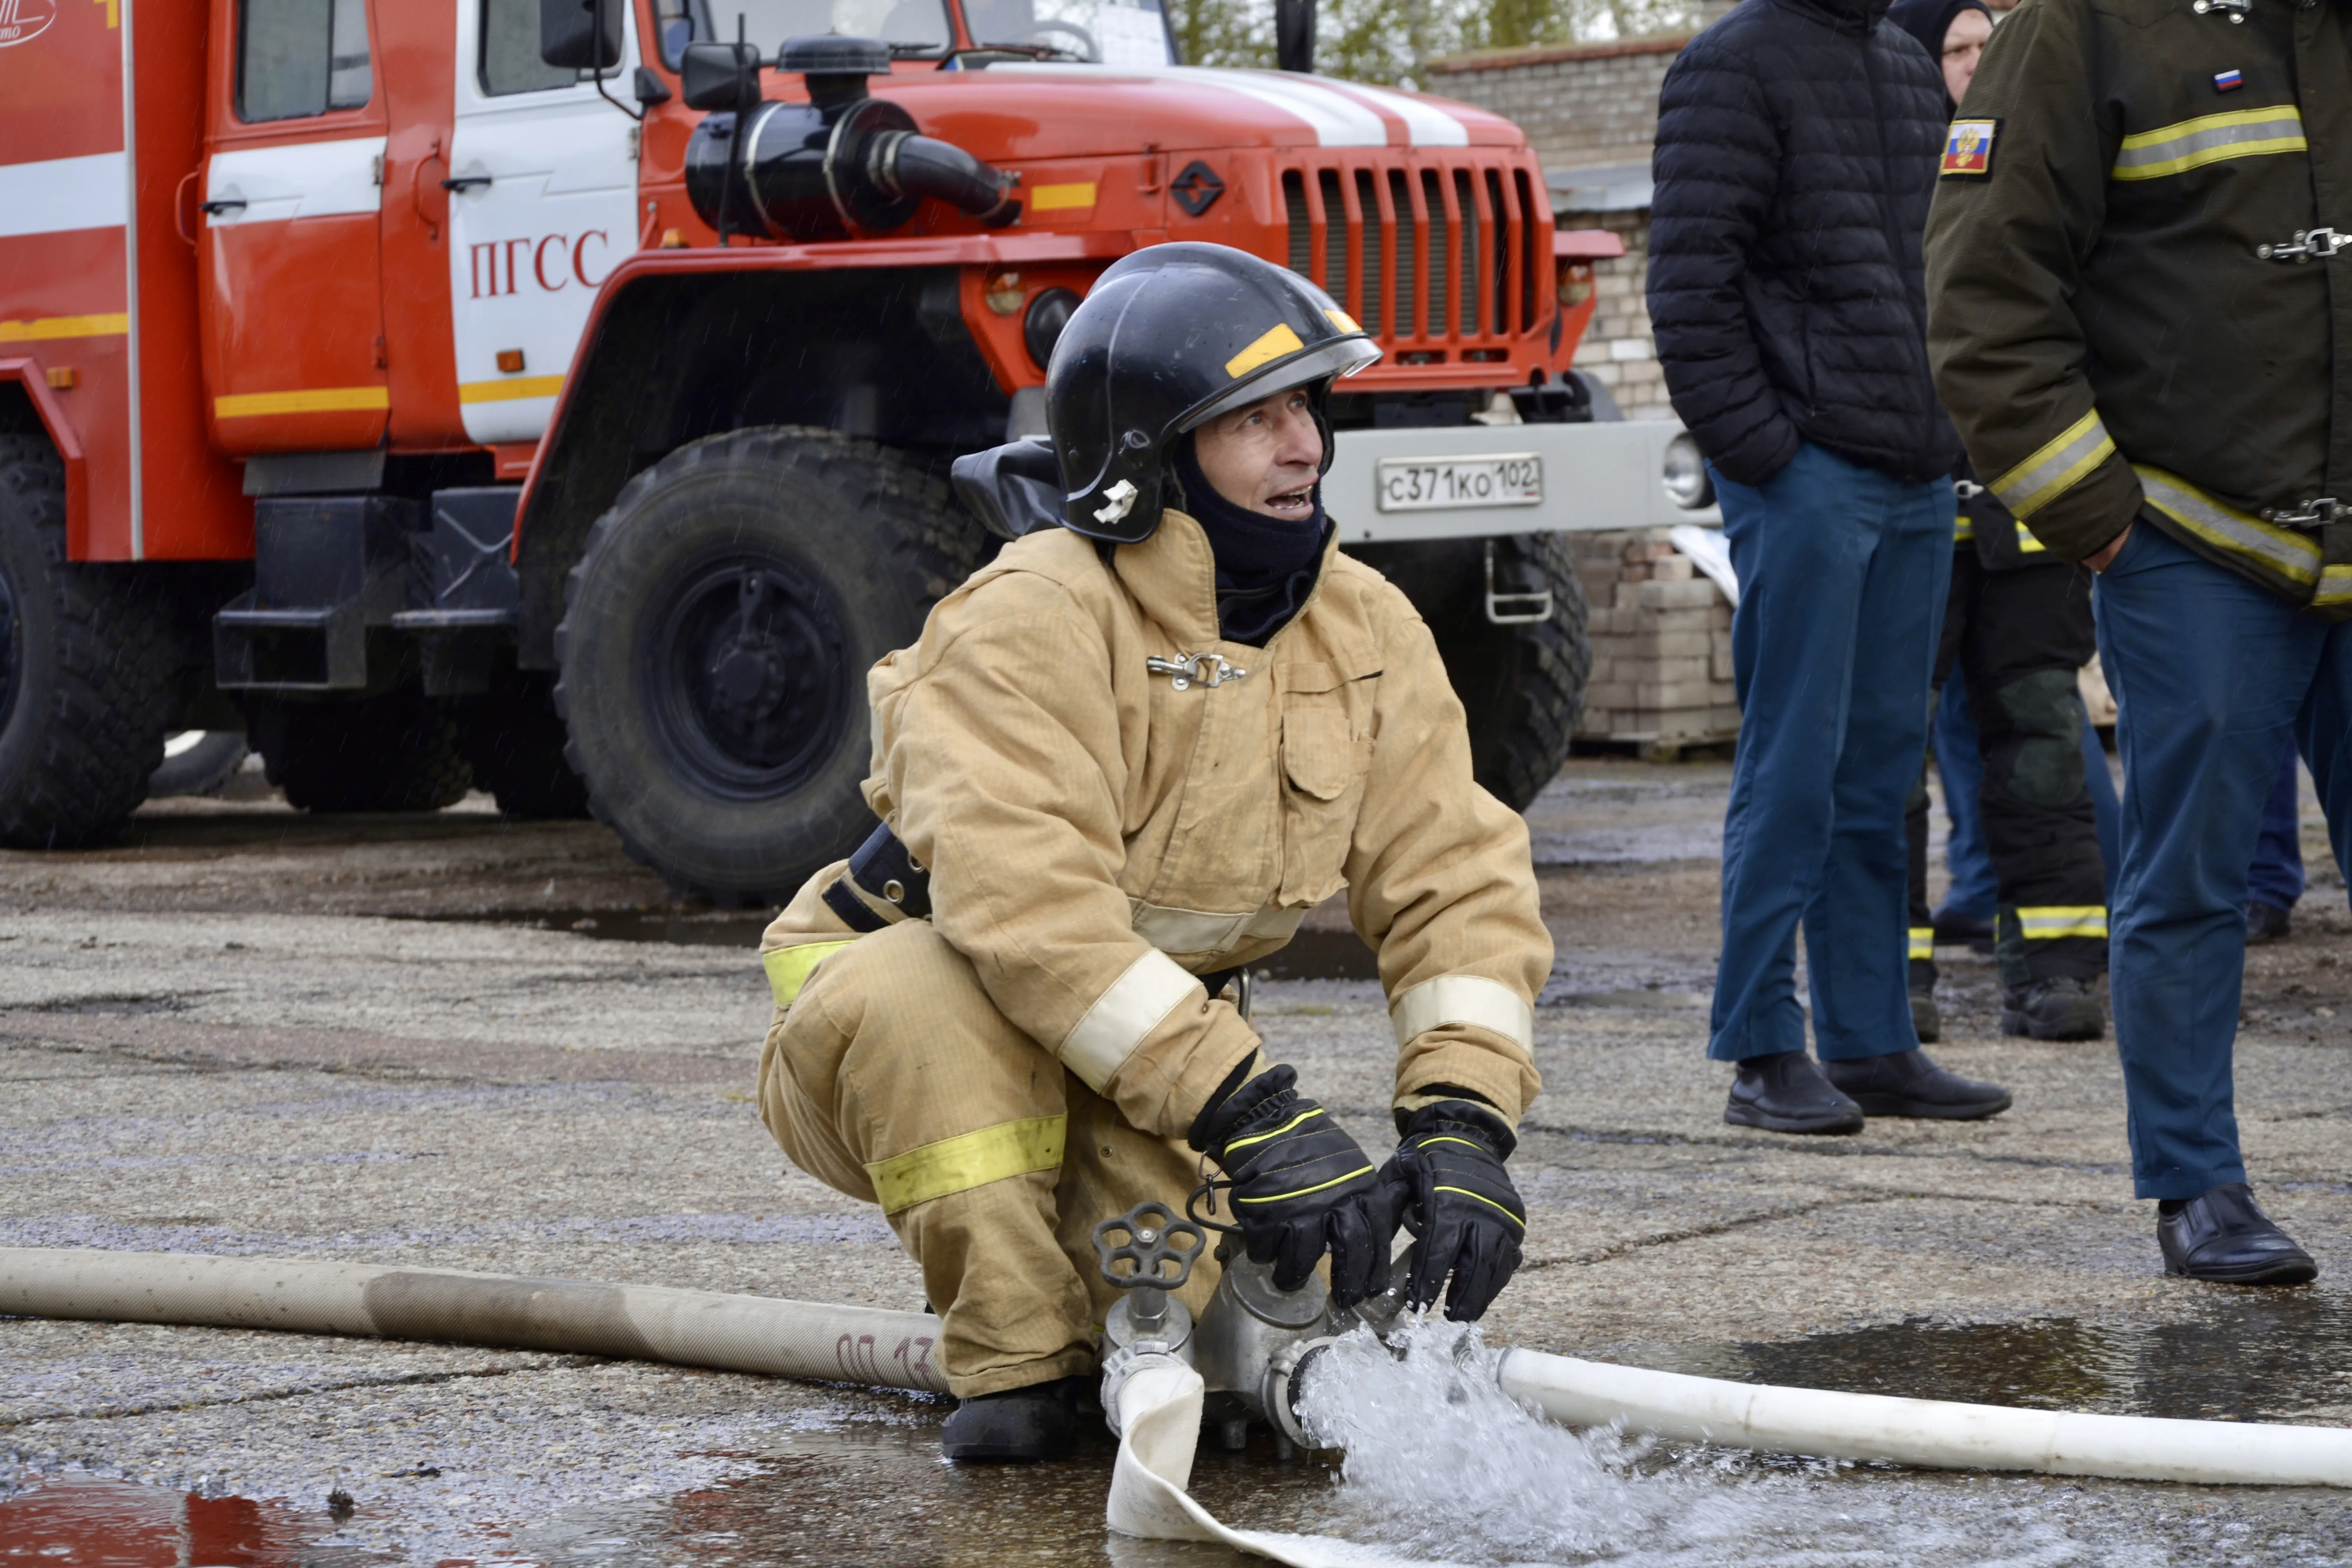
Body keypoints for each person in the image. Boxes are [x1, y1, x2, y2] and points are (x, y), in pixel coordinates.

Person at [751, 243, 1553, 1461]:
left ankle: (1105, 1337)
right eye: (1255, 420)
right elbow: (1030, 916)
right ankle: (1015, 1370)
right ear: (1151, 456)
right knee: (927, 1006)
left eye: (1306, 411)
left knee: (1221, 1355)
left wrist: (1462, 1122)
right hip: (902, 1014)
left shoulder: (1364, 625)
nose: (1307, 450)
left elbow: (1461, 886)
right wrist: (1253, 1111)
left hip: (1125, 1049)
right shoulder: (1033, 617)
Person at [1926, 0, 2342, 1284]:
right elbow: (1984, 291)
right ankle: (2197, 1184)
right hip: (2199, 538)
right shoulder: (2081, 26)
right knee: (2193, 880)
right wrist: (2108, 523)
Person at [1649, 0, 2012, 1135]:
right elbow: (1690, 284)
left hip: (1912, 470)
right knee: (1793, 763)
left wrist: (1946, 431)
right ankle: (1761, 1045)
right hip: (1807, 473)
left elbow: (1937, 261)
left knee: (1881, 771)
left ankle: (1872, 1043)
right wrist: (1767, 454)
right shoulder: (1733, 61)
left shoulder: (1905, 64)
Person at [1890, 0, 2111, 1046]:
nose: (1979, 65)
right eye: (1958, 49)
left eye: (1989, 44)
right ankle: (1896, 980)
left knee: (2042, 741)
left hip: (2026, 512)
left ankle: (2059, 972)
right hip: (1915, 507)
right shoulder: (1893, 164)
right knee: (1890, 754)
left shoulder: (2044, 156)